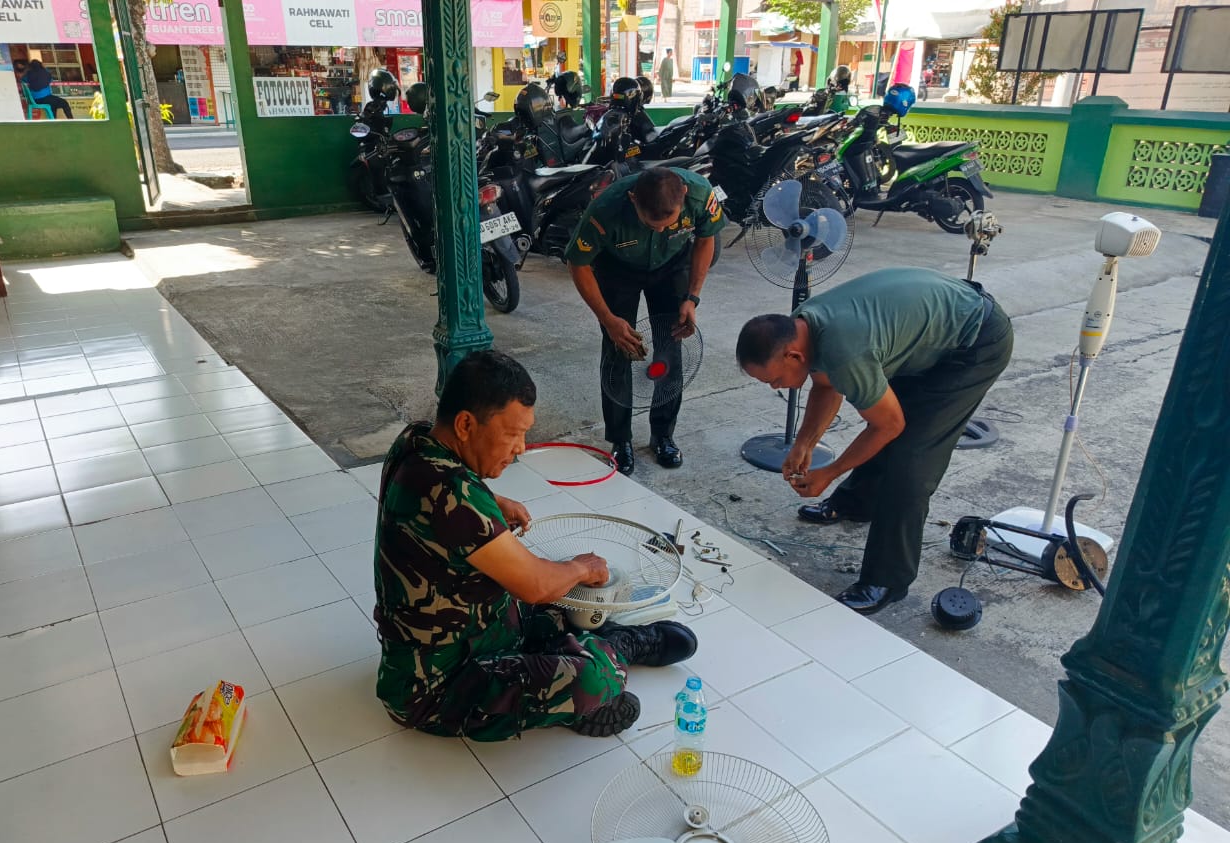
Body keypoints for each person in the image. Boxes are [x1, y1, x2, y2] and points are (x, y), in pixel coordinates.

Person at [373, 350, 698, 741]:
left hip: (474, 629)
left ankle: (582, 647)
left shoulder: (416, 440)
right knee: (587, 662)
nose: (521, 448)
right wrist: (582, 567)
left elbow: (445, 496)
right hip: (437, 687)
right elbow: (535, 585)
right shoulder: (453, 495)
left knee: (554, 590)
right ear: (464, 424)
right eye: (512, 434)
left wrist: (492, 501)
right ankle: (612, 654)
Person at [735, 267, 1014, 615]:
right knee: (891, 422)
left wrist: (831, 470)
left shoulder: (847, 350)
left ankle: (887, 580)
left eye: (774, 380)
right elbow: (825, 383)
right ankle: (857, 503)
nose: (775, 387)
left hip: (974, 343)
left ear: (793, 356)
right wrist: (803, 445)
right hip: (932, 331)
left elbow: (888, 426)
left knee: (911, 460)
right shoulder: (798, 328)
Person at [565, 166, 725, 475]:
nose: (661, 231)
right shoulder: (605, 209)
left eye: (669, 224)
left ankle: (663, 435)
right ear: (632, 199)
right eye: (651, 224)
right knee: (620, 349)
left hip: (672, 265)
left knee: (671, 347)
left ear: (685, 197)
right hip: (618, 268)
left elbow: (707, 239)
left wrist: (692, 298)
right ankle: (620, 440)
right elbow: (578, 263)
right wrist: (608, 319)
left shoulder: (701, 193)